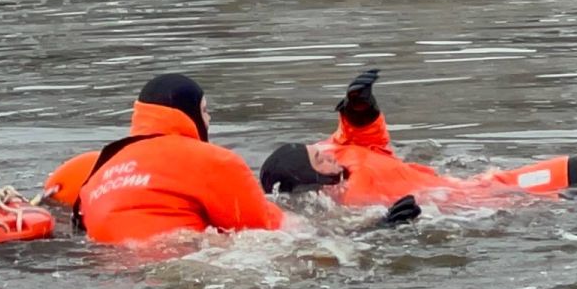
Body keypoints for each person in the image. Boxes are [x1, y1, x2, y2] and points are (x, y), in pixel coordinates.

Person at [259, 69, 577, 207]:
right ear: (313, 179)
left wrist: (357, 107)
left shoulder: (345, 155)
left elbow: (362, 137)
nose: (325, 146)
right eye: (316, 155)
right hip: (501, 206)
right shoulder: (345, 200)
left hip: (494, 181)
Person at [66, 73, 419, 245]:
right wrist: (371, 233)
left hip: (117, 277)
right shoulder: (210, 161)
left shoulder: (100, 171)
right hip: (188, 270)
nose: (209, 121)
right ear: (187, 115)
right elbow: (277, 234)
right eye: (204, 111)